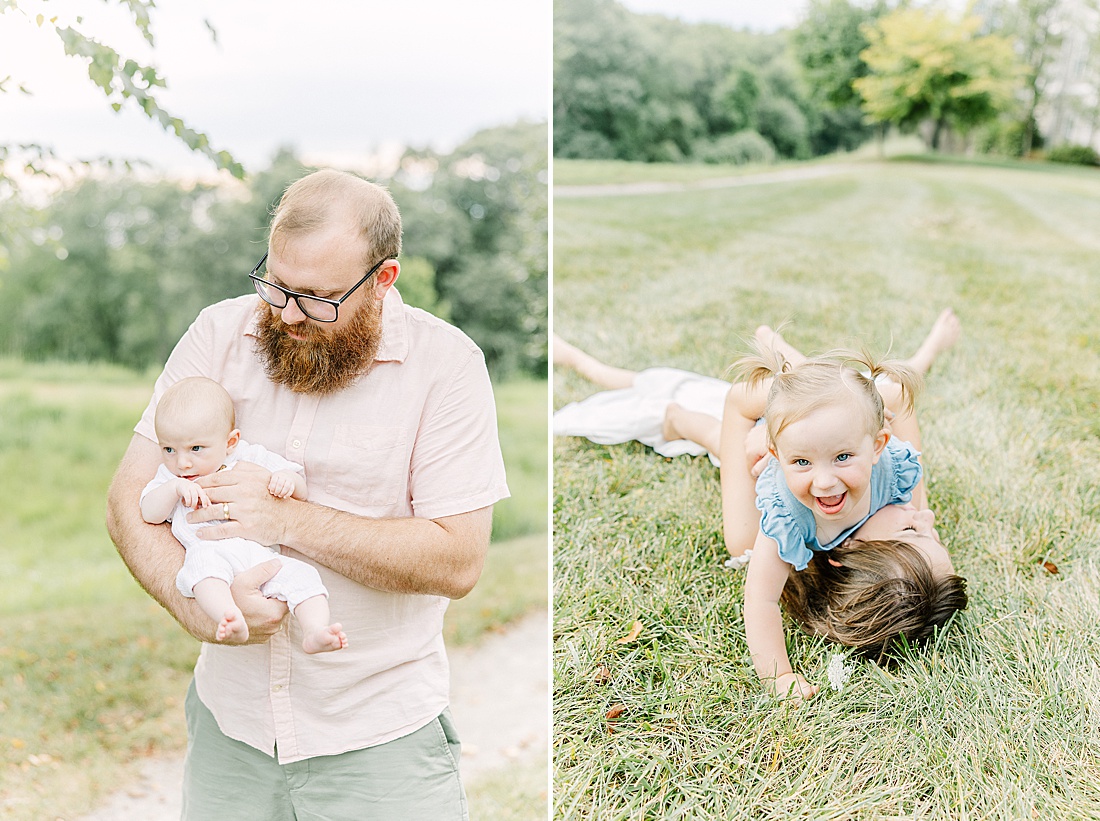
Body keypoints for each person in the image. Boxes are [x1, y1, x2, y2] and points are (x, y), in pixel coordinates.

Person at [106, 169, 509, 820]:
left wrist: (286, 519)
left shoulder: (448, 366)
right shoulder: (216, 335)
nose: (288, 313)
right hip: (228, 731)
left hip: (379, 741)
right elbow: (129, 500)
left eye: (317, 297)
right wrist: (200, 613)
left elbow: (458, 558)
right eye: (278, 285)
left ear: (383, 280)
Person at [554, 311, 967, 699]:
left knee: (640, 389)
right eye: (934, 532)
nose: (925, 514)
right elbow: (897, 393)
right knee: (873, 394)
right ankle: (796, 367)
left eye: (917, 531)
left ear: (850, 552)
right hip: (809, 431)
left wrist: (779, 676)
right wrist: (908, 363)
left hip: (750, 428)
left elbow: (762, 601)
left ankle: (656, 405)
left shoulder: (779, 525)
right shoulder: (892, 480)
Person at [140, 376, 347, 654]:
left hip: (260, 556)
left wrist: (285, 480)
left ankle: (315, 630)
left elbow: (301, 488)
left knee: (303, 575)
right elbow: (149, 512)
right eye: (169, 449)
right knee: (201, 568)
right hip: (211, 551)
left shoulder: (248, 457)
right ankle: (229, 615)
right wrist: (174, 489)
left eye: (196, 449)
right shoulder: (171, 477)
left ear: (230, 441)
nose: (182, 462)